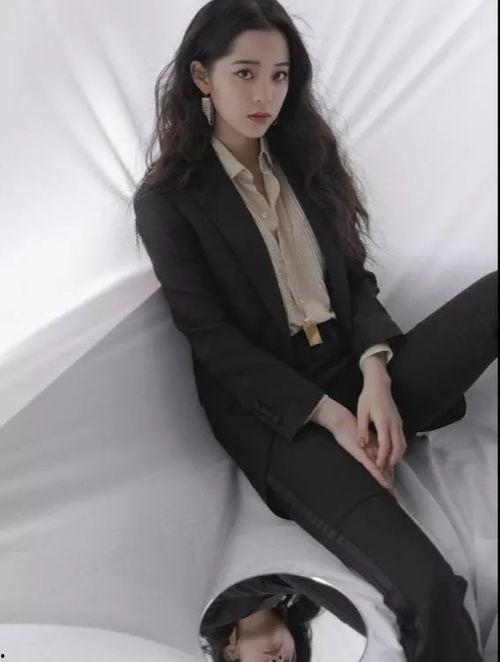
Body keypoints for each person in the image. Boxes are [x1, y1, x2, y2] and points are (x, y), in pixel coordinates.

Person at [132, 1, 498, 659]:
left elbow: (354, 282)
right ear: (201, 77)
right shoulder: (168, 202)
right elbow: (211, 340)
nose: (264, 94)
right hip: (282, 419)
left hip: (355, 366)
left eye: (279, 75)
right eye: (245, 73)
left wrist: (376, 372)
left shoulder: (303, 161)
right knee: (429, 590)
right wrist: (332, 418)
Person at [199, 573, 366, 662]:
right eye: (288, 661)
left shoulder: (206, 614)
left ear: (231, 653)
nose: (278, 660)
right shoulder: (303, 595)